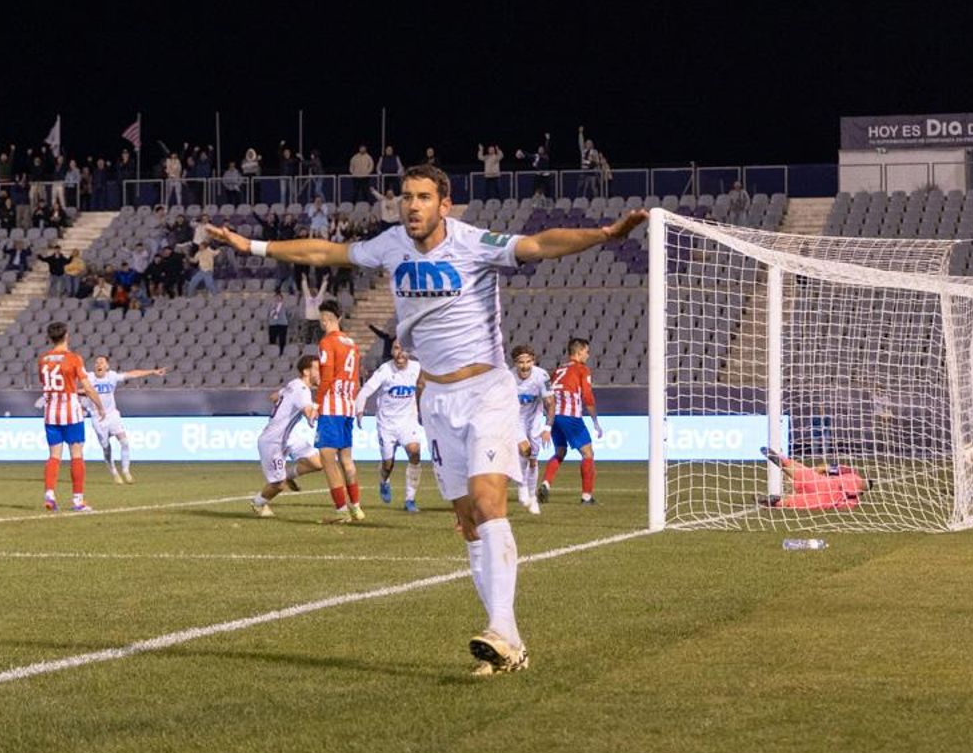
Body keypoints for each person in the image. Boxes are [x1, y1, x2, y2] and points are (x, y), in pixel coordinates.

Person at [206, 164, 646, 676]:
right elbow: (323, 253)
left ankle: (501, 628)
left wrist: (605, 234)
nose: (412, 205)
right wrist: (251, 246)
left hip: (486, 390)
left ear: (444, 203)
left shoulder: (474, 243)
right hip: (436, 400)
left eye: (422, 197)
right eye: (406, 197)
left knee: (488, 501)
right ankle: (511, 644)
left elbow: (539, 244)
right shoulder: (390, 245)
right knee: (467, 520)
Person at [38, 321, 106, 512]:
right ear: (67, 335)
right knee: (76, 454)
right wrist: (100, 407)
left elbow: (45, 383)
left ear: (50, 337)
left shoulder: (43, 359)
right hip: (71, 413)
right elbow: (88, 388)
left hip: (51, 413)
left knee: (54, 456)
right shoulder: (74, 359)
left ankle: (49, 495)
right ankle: (77, 500)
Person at [250, 355, 324, 518]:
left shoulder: (294, 384)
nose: (321, 373)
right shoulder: (302, 391)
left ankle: (289, 475)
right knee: (278, 484)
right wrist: (320, 406)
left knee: (318, 463)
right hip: (273, 440)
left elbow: (274, 396)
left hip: (288, 436)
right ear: (306, 372)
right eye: (318, 369)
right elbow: (310, 416)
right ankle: (257, 502)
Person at [354, 341, 424, 512]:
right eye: (396, 348)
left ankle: (410, 499)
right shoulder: (385, 370)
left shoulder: (417, 368)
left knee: (415, 452)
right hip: (386, 424)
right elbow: (365, 391)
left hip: (408, 422)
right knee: (388, 464)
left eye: (404, 349)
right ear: (392, 351)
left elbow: (428, 384)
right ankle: (384, 481)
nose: (400, 353)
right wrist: (359, 410)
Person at [312, 299, 363, 524]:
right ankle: (357, 508)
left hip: (332, 406)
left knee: (327, 459)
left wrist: (317, 403)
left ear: (325, 320)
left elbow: (327, 376)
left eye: (321, 319)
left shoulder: (327, 342)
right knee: (347, 460)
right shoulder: (351, 343)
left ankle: (342, 511)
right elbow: (356, 377)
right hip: (347, 406)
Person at [539, 337, 602, 506]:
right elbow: (587, 396)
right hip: (570, 415)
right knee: (588, 453)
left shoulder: (558, 370)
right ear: (579, 352)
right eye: (587, 352)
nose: (588, 355)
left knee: (560, 452)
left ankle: (545, 483)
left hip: (553, 416)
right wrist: (595, 421)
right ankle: (587, 497)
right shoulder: (582, 369)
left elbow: (547, 394)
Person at [84, 356, 166, 484]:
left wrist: (152, 371)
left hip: (112, 415)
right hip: (97, 417)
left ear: (107, 366)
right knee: (106, 448)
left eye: (102, 362)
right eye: (97, 362)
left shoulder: (112, 376)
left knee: (124, 442)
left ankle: (126, 470)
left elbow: (132, 374)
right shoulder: (89, 377)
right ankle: (114, 473)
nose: (99, 364)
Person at [510, 345, 554, 515]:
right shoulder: (509, 378)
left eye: (528, 362)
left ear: (533, 361)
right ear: (515, 363)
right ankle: (522, 488)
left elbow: (550, 403)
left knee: (533, 459)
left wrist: (547, 428)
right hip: (515, 419)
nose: (525, 366)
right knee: (524, 450)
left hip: (535, 419)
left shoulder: (541, 376)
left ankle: (532, 496)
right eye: (521, 362)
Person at [758, 447, 872, 509]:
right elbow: (840, 507)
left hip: (823, 484)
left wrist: (815, 474)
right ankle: (775, 501)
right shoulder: (853, 502)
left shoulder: (851, 473)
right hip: (826, 500)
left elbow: (822, 468)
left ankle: (783, 462)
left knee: (802, 472)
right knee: (796, 502)